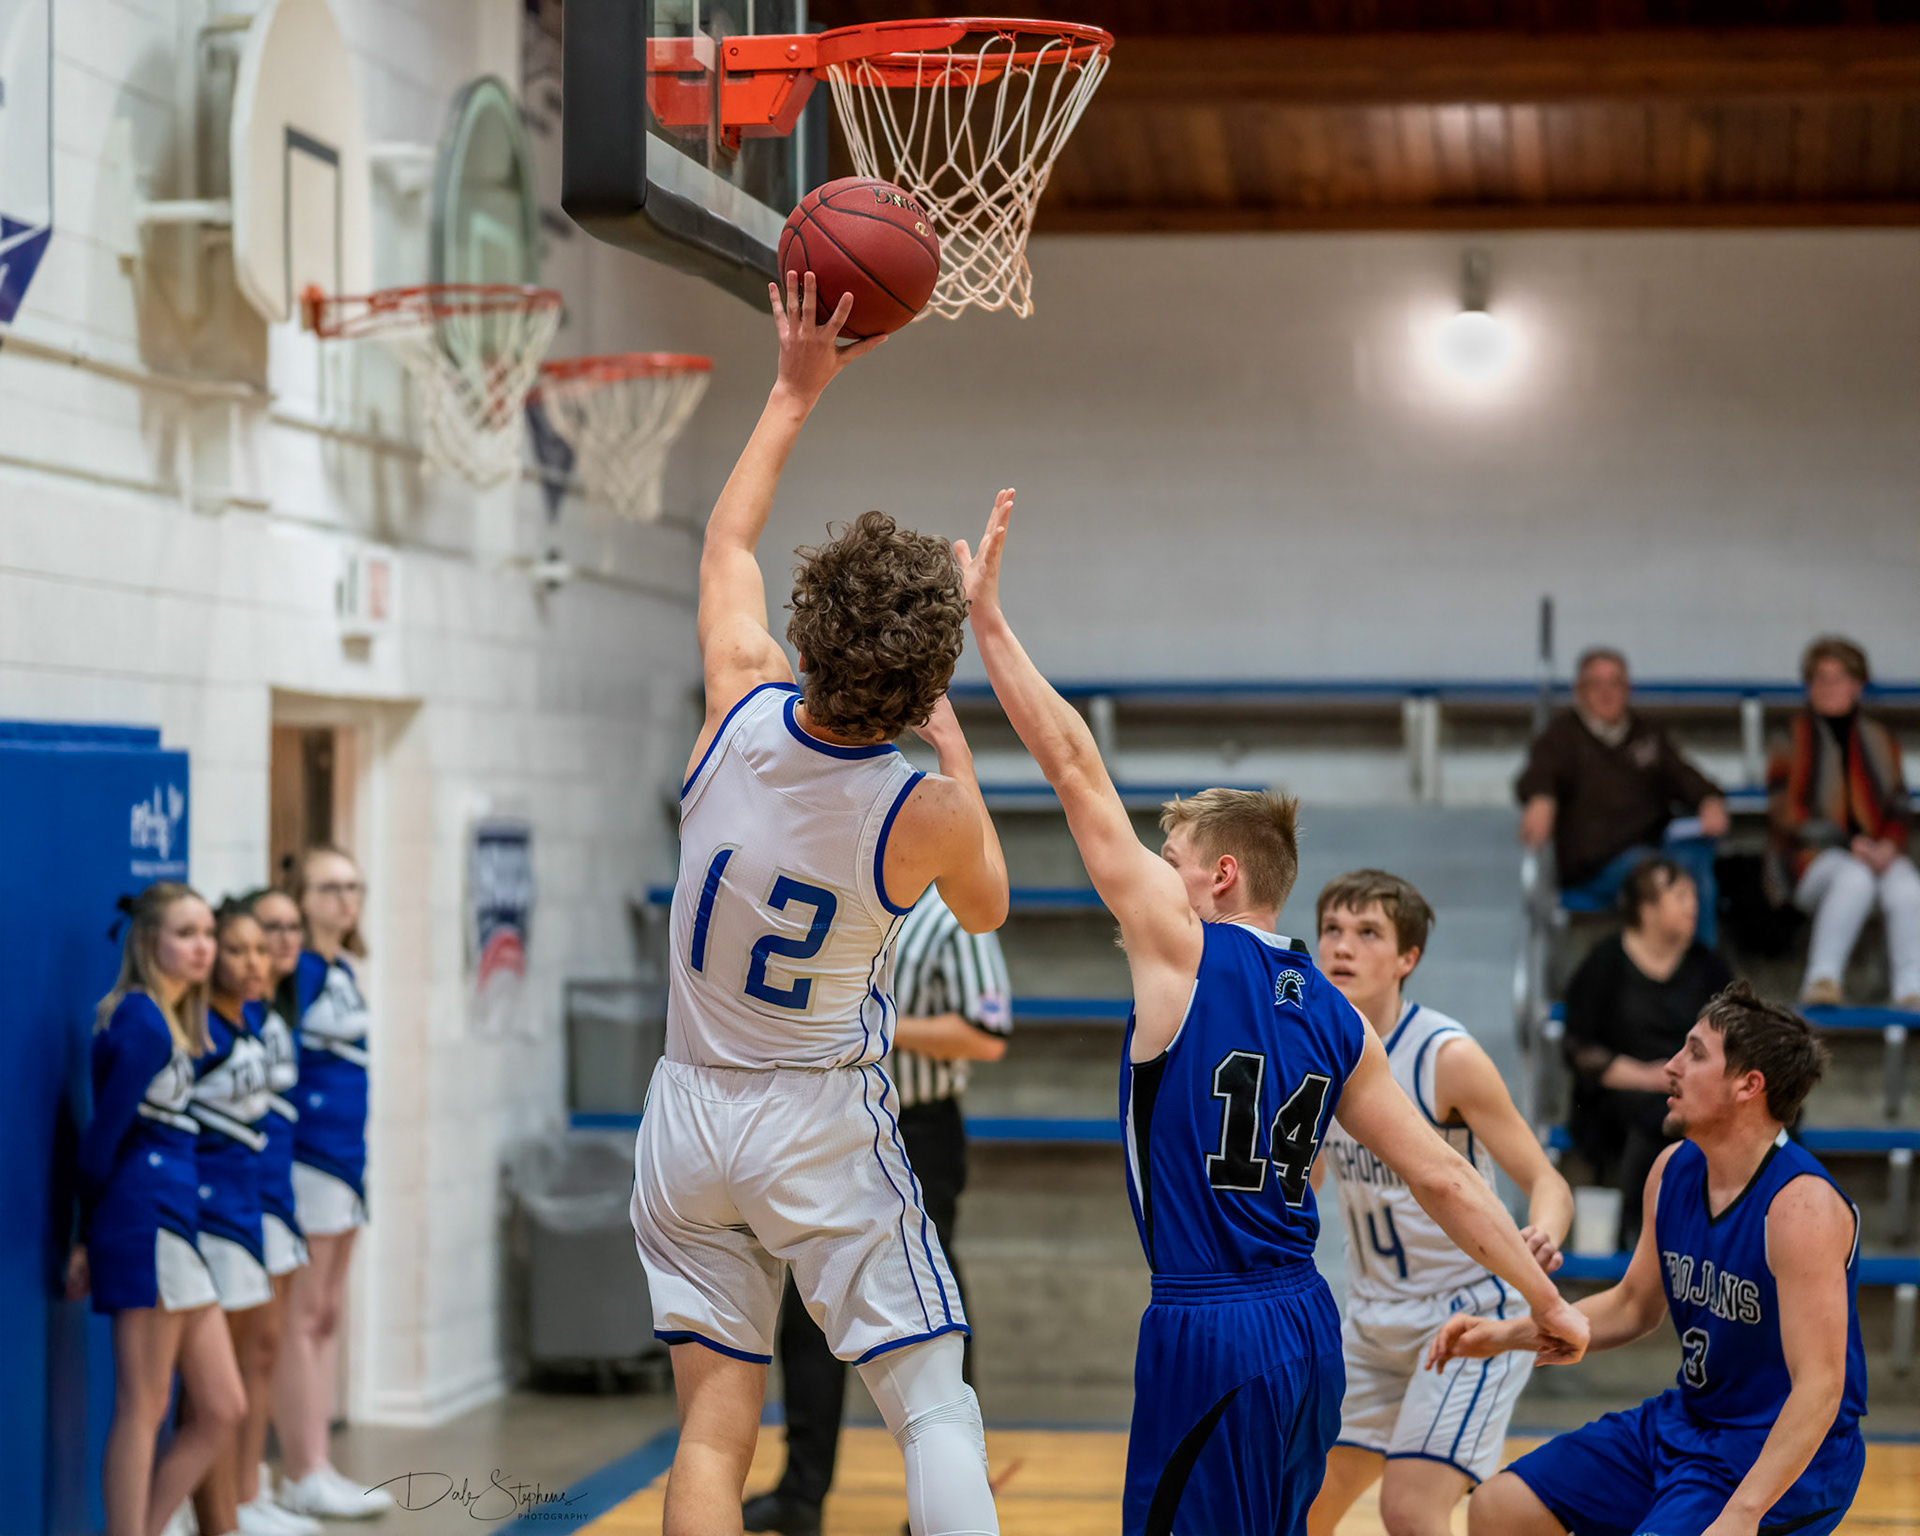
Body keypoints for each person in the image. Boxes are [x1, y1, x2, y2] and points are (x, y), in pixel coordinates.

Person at [959, 488, 1587, 1536]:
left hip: (1210, 1326)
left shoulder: (1184, 953)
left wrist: (989, 623)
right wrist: (1549, 1301)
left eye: (1172, 858)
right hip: (1308, 1323)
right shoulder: (1342, 1019)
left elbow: (1073, 766)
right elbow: (1444, 1175)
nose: (1156, 873)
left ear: (1221, 878)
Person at [628, 271, 1010, 1536]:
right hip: (811, 1117)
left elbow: (726, 545)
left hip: (685, 1111)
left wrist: (795, 388)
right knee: (935, 1404)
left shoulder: (736, 699)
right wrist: (953, 747)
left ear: (807, 628)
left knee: (714, 1428)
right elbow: (989, 906)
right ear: (923, 680)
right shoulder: (921, 809)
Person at [1435, 982, 1867, 1536]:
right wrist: (1505, 1335)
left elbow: (1821, 1386)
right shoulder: (1672, 1170)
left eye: (1696, 1053)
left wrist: (1742, 1513)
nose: (1671, 1066)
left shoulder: (1801, 1207)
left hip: (1782, 1454)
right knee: (1500, 1508)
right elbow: (1634, 1305)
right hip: (1689, 1422)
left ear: (1748, 1085)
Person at [1306, 870, 1573, 1536]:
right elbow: (1306, 1183)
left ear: (1408, 958)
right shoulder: (1312, 1048)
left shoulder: (1445, 1057)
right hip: (1372, 1323)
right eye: (1332, 929)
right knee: (1301, 1508)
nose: (1343, 946)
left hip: (1467, 1317)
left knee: (1409, 1510)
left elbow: (1548, 1181)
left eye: (1368, 933)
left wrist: (1543, 1232)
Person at [744, 887, 1013, 1536]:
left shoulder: (953, 917)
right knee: (807, 1308)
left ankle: (951, 1492)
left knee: (932, 1307)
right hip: (832, 1121)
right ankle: (802, 1491)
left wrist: (876, 1024)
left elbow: (987, 1035)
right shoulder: (845, 896)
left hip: (918, 1128)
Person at [72, 884, 247, 1536]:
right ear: (149, 942)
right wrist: (84, 1238)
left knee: (223, 1406)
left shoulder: (172, 1021)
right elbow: (99, 1144)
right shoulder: (142, 1022)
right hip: (144, 1225)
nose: (204, 947)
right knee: (142, 1407)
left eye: (208, 933)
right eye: (186, 933)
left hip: (177, 1223)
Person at [273, 847, 393, 1520]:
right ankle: (302, 1468)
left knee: (326, 1315)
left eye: (354, 887)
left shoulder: (342, 969)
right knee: (303, 1315)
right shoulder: (301, 973)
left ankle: (316, 1463)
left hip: (347, 1160)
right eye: (329, 888)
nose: (346, 900)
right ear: (300, 896)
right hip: (310, 1160)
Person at [1563, 855, 1733, 1246]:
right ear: (1647, 908)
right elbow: (1578, 1048)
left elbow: (1733, 1039)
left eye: (1693, 896)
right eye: (1680, 896)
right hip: (1622, 1089)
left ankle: (1733, 1231)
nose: (1693, 905)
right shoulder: (1606, 962)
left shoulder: (1708, 966)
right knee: (1652, 1115)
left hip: (1692, 1086)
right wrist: (1647, 1077)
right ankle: (1641, 1234)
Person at [1517, 647, 1730, 946]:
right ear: (1580, 691)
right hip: (1597, 864)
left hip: (1656, 846)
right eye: (1596, 684)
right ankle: (1673, 965)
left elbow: (1684, 776)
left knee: (1695, 871)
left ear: (1627, 689)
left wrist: (1710, 800)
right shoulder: (1561, 737)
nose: (1607, 693)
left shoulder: (1646, 733)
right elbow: (1538, 774)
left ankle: (1700, 966)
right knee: (1663, 880)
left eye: (1615, 683)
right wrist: (1542, 798)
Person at [186, 903, 278, 1536]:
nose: (253, 962)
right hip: (209, 1221)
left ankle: (232, 1511)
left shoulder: (251, 1025)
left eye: (259, 949)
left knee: (235, 1381)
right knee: (208, 1399)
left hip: (249, 1214)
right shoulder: (198, 1032)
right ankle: (216, 1522)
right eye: (237, 949)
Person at [1768, 635, 1918, 1010]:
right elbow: (1785, 813)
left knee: (1907, 885)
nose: (1828, 687)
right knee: (1855, 876)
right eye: (1820, 678)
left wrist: (1889, 845)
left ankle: (1911, 988)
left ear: (1857, 685)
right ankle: (1822, 980)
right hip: (1808, 859)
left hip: (1876, 852)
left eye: (1838, 678)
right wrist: (1848, 842)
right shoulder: (1790, 738)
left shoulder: (1880, 739)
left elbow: (1899, 806)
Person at [241, 888, 320, 1535]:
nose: (284, 940)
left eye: (294, 927)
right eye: (271, 927)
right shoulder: (232, 1018)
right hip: (238, 1204)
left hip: (278, 1196)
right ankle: (230, 1496)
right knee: (241, 1357)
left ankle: (250, 1488)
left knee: (264, 1350)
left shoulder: (280, 1012)